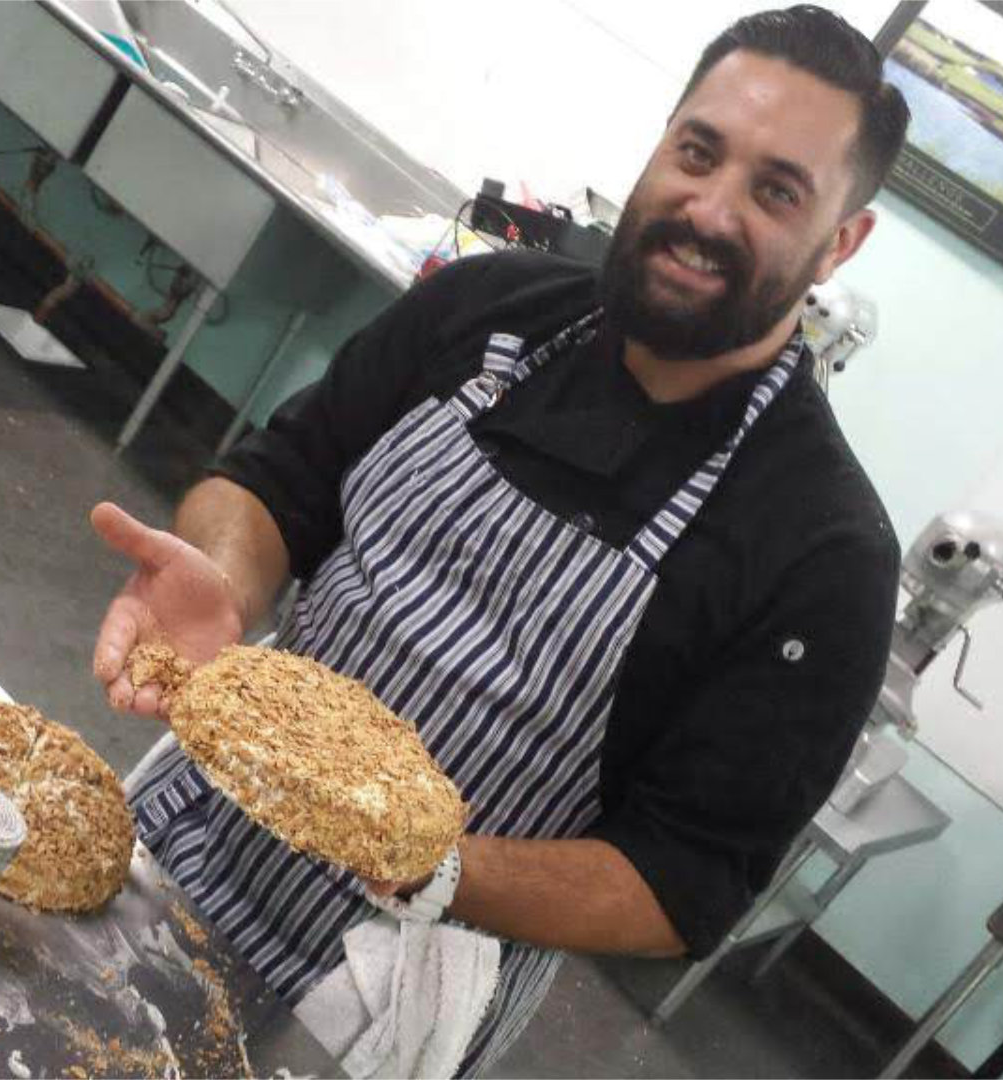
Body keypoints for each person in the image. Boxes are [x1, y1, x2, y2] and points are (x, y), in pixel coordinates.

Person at [90, 6, 911, 1073]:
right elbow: (277, 484)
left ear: (841, 241)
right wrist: (228, 584)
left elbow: (681, 879)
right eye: (698, 152)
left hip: (374, 995)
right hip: (176, 837)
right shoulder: (485, 309)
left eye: (776, 191)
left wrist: (432, 864)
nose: (708, 210)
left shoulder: (824, 550)